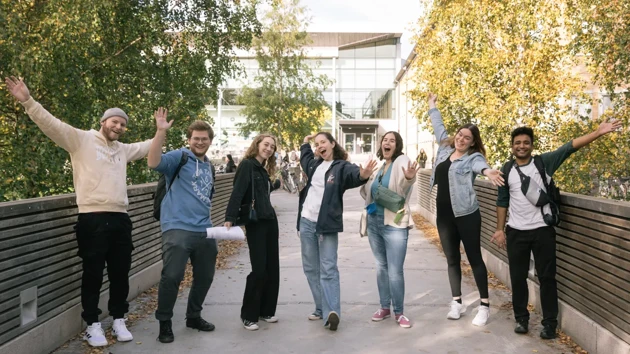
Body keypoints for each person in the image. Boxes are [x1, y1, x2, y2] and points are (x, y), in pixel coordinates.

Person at [4, 76, 153, 347]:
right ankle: (93, 324)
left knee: (121, 273)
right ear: (103, 122)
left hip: (121, 218)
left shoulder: (122, 150)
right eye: (114, 121)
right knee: (93, 273)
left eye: (122, 124)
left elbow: (148, 147)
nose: (118, 126)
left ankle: (119, 319)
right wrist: (27, 101)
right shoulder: (81, 140)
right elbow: (52, 125)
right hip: (92, 219)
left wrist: (163, 131)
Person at [491, 121, 621, 339]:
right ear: (512, 146)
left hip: (542, 231)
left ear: (531, 146)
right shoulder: (506, 170)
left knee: (547, 278)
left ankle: (549, 324)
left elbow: (569, 147)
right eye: (517, 143)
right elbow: (502, 201)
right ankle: (521, 319)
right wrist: (500, 229)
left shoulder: (544, 163)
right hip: (516, 232)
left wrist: (598, 133)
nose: (521, 146)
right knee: (518, 278)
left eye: (525, 142)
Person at [427, 93, 504, 327]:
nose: (461, 139)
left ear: (472, 142)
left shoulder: (473, 157)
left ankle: (484, 306)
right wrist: (432, 106)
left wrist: (488, 172)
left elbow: (481, 165)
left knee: (474, 259)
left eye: (467, 138)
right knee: (451, 259)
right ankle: (457, 302)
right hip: (445, 217)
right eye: (460, 134)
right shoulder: (444, 148)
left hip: (467, 215)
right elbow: (438, 125)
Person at [148, 114, 218, 343]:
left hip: (204, 230)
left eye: (204, 139)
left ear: (210, 141)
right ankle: (165, 323)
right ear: (189, 139)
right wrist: (160, 132)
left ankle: (193, 316)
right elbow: (153, 162)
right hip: (177, 227)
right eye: (196, 138)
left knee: (205, 276)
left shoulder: (209, 165)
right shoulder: (180, 157)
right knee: (172, 276)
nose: (200, 142)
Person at [297, 132, 377, 331]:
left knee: (328, 268)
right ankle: (320, 307)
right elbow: (305, 157)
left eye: (323, 142)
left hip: (326, 225)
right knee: (310, 268)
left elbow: (354, 175)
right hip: (306, 221)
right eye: (317, 144)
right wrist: (305, 143)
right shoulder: (314, 165)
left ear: (332, 144)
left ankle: (332, 312)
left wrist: (364, 174)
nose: (319, 146)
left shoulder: (341, 167)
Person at [360, 131, 419, 328]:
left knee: (395, 271)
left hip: (394, 222)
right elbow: (367, 192)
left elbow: (403, 186)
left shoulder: (401, 161)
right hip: (375, 221)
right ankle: (384, 307)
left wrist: (409, 178)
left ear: (397, 145)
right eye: (385, 140)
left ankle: (399, 312)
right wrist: (365, 177)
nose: (387, 143)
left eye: (392, 141)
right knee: (381, 267)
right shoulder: (379, 167)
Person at [224, 134, 282, 331]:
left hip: (270, 221)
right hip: (256, 223)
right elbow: (238, 191)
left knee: (272, 267)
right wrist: (230, 217)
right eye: (266, 144)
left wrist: (274, 184)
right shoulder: (248, 165)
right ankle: (248, 315)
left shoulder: (263, 169)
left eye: (272, 147)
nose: (269, 149)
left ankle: (266, 311)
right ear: (257, 144)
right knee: (259, 269)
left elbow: (261, 193)